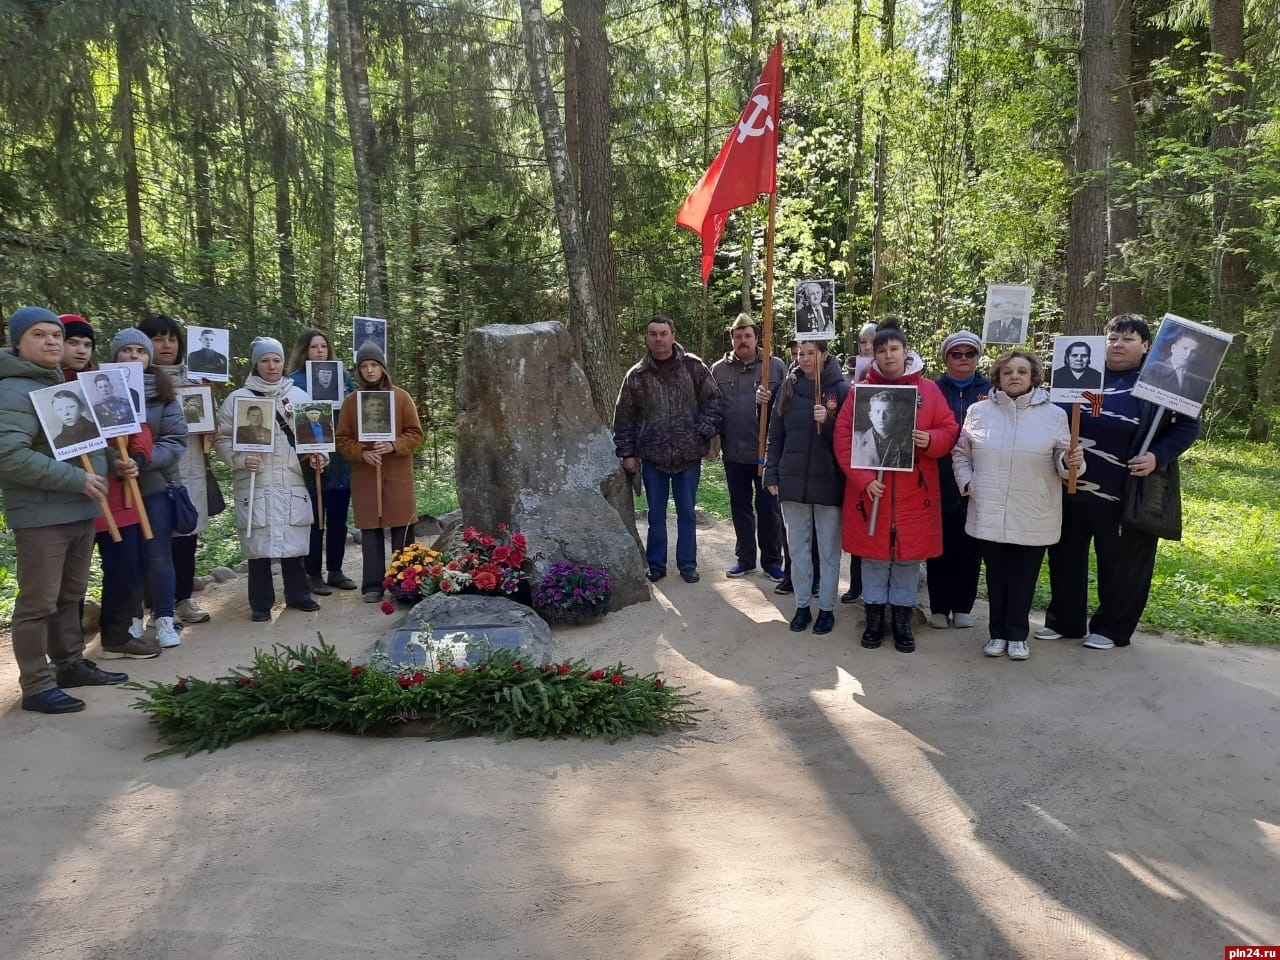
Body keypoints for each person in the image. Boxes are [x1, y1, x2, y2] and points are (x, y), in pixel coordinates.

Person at [1037, 314, 1200, 650]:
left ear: (1145, 346)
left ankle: (1112, 628)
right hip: (1070, 489)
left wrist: (1158, 456)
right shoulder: (1080, 374)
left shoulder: (1159, 383)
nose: (1117, 345)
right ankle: (1065, 621)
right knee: (1065, 557)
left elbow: (1187, 427)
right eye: (1112, 338)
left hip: (1124, 493)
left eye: (1128, 339)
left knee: (1122, 564)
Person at [0, 305, 126, 713]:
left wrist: (114, 461)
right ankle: (37, 685)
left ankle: (70, 664)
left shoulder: (59, 385)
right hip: (41, 516)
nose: (52, 341)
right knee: (38, 602)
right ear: (17, 342)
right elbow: (9, 456)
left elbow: (79, 441)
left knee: (70, 595)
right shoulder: (11, 391)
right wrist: (76, 480)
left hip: (78, 510)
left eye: (56, 334)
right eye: (39, 335)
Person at [835, 317, 958, 654]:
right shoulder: (860, 392)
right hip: (872, 494)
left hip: (915, 496)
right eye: (881, 350)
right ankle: (874, 620)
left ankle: (902, 622)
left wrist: (929, 439)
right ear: (873, 355)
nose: (888, 355)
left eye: (894, 349)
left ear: (906, 351)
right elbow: (844, 438)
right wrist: (863, 481)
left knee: (907, 559)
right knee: (874, 558)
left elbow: (949, 430)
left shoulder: (928, 391)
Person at [952, 350, 1084, 661]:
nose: (1015, 376)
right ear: (997, 376)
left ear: (1033, 377)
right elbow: (961, 454)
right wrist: (969, 484)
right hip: (990, 505)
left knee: (1024, 576)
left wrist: (1070, 462)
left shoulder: (1054, 415)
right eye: (1008, 371)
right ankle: (997, 633)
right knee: (997, 575)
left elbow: (1064, 459)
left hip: (1033, 508)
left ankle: (1017, 634)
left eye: (1022, 371)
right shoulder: (978, 411)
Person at [215, 337, 326, 621]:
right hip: (256, 479)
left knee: (293, 539)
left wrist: (319, 457)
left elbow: (317, 439)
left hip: (291, 479)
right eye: (265, 360)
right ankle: (261, 602)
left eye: (276, 360)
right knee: (259, 544)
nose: (271, 365)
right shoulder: (238, 399)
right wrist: (240, 459)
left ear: (283, 363)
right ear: (256, 364)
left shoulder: (299, 397)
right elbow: (222, 439)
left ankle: (299, 594)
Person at [613, 315, 722, 584]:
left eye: (663, 333)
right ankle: (657, 565)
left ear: (673, 335)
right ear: (647, 338)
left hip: (688, 455)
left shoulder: (693, 367)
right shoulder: (636, 375)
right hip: (652, 457)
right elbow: (623, 417)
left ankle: (687, 564)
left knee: (687, 511)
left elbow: (714, 401)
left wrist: (701, 432)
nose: (658, 339)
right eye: (653, 334)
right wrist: (627, 454)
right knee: (655, 514)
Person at [109, 329, 188, 650]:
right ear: (114, 356)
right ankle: (133, 619)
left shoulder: (164, 395)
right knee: (128, 558)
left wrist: (142, 461)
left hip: (156, 486)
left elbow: (175, 440)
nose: (133, 357)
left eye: (139, 352)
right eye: (125, 351)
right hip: (117, 489)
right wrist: (117, 461)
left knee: (157, 555)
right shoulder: (100, 391)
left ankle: (165, 617)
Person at [139, 313, 219, 626]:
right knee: (156, 539)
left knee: (186, 534)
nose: (167, 345)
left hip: (191, 467)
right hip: (154, 470)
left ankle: (184, 599)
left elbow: (208, 428)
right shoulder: (135, 381)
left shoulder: (196, 379)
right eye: (159, 338)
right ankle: (157, 608)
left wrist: (210, 423)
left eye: (171, 338)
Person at [764, 340, 848, 635]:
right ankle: (802, 606)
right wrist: (771, 474)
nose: (805, 358)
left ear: (824, 354)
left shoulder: (841, 389)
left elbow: (851, 438)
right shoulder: (787, 387)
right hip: (793, 481)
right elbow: (775, 436)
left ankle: (826, 608)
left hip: (829, 482)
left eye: (811, 353)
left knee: (828, 551)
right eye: (800, 353)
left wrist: (830, 421)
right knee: (798, 549)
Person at [336, 342, 423, 603]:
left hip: (396, 474)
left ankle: (405, 582)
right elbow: (342, 439)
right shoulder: (352, 403)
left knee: (402, 528)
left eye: (374, 365)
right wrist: (362, 452)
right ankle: (373, 585)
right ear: (358, 371)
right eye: (364, 366)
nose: (369, 370)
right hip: (366, 474)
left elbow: (415, 433)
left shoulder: (401, 397)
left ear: (383, 367)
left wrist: (394, 444)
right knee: (371, 530)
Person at [710, 313, 787, 581]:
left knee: (769, 509)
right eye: (738, 336)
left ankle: (772, 562)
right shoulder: (718, 369)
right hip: (734, 452)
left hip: (765, 454)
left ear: (756, 337)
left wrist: (771, 398)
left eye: (748, 336)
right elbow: (713, 407)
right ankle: (745, 559)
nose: (743, 341)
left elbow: (787, 405)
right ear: (732, 338)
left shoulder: (774, 366)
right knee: (739, 508)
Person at [926, 330, 991, 630]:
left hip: (978, 477)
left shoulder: (991, 390)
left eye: (970, 354)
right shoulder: (932, 390)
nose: (963, 359)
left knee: (970, 545)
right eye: (956, 354)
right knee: (939, 544)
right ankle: (939, 606)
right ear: (946, 358)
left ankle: (963, 605)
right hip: (939, 474)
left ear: (978, 357)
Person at [288, 328, 358, 595]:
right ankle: (313, 572)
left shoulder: (343, 378)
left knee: (338, 516)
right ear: (304, 350)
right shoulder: (293, 382)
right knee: (316, 517)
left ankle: (336, 570)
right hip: (311, 455)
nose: (320, 351)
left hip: (339, 456)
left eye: (324, 347)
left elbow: (355, 406)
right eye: (314, 347)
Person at [1143, 328, 1213, 404]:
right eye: (1185, 348)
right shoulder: (1152, 370)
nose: (1188, 355)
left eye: (1193, 352)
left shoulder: (1196, 379)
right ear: (1173, 348)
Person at [851, 389, 913, 469]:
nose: (882, 417)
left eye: (887, 411)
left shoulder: (905, 443)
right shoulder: (856, 440)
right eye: (877, 411)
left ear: (894, 415)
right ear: (870, 416)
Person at [59, 314, 97, 379]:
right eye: (73, 343)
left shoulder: (99, 381)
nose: (82, 351)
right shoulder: (39, 380)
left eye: (87, 345)